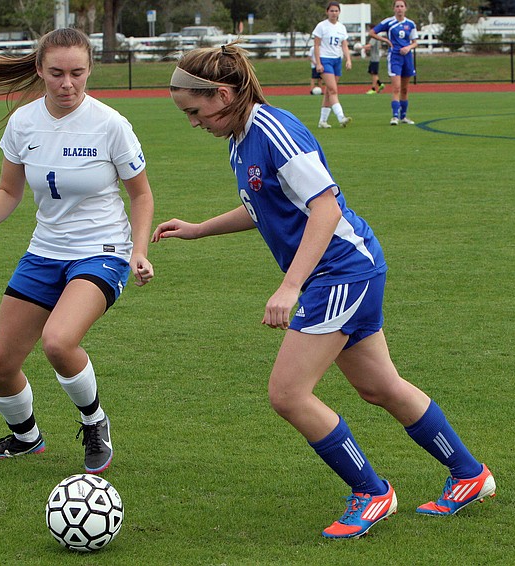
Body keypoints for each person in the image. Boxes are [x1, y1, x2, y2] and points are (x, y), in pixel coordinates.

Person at [153, 43, 495, 539]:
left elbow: (326, 208)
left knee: (288, 394)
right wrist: (200, 228)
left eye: (195, 111)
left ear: (223, 94)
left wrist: (290, 287)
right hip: (342, 271)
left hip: (342, 270)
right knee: (380, 387)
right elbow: (264, 207)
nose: (193, 122)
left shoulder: (274, 130)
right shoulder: (239, 138)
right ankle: (470, 474)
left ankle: (373, 492)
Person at [0, 28, 155, 474]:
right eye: (56, 73)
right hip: (44, 253)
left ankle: (95, 423)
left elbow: (141, 196)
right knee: (0, 365)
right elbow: (7, 190)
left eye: (77, 73)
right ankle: (25, 438)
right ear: (39, 71)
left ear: (90, 69)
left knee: (59, 341)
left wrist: (139, 250)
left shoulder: (110, 124)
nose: (67, 84)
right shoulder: (23, 122)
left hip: (103, 251)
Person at [370, 0, 418, 125]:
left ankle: (404, 116)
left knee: (405, 89)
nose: (399, 9)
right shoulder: (389, 22)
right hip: (395, 57)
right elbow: (372, 32)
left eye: (402, 6)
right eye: (397, 6)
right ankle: (394, 116)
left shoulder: (411, 24)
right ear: (394, 9)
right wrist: (385, 40)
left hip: (407, 58)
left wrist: (408, 47)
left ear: (405, 8)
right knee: (396, 87)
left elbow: (415, 42)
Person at [312, 1, 353, 128]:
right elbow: (316, 45)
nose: (334, 13)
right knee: (333, 90)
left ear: (339, 12)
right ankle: (341, 117)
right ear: (327, 12)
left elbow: (344, 45)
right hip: (325, 59)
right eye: (332, 10)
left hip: (336, 60)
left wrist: (348, 59)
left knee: (329, 92)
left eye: (336, 11)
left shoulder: (341, 27)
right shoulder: (322, 26)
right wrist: (318, 63)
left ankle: (322, 121)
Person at [364, 25, 385, 94]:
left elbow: (369, 45)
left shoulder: (374, 37)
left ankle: (373, 89)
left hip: (374, 58)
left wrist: (360, 47)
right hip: (374, 58)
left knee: (374, 74)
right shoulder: (377, 37)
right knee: (371, 72)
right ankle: (380, 84)